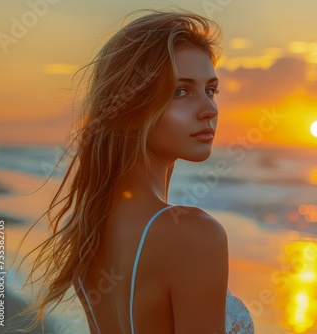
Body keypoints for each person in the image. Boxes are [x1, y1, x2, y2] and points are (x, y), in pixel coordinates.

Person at [17, 9, 254, 334]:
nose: (209, 110)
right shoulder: (195, 235)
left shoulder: (92, 226)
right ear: (129, 106)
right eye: (180, 91)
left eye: (210, 90)